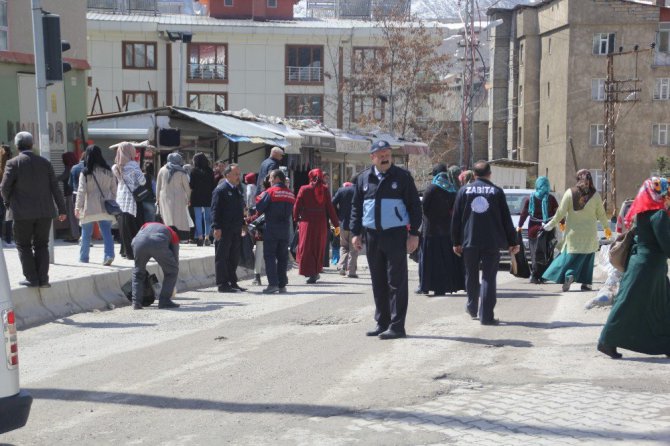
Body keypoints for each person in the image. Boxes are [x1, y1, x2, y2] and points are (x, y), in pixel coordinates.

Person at [351, 140, 422, 339]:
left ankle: (397, 326)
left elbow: (415, 207)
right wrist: (356, 233)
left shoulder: (402, 177)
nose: (384, 157)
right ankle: (382, 322)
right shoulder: (364, 178)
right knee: (378, 281)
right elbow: (356, 208)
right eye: (380, 154)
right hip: (372, 235)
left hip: (395, 234)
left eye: (387, 154)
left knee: (396, 282)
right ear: (372, 157)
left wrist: (414, 233)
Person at [597, 177, 670, 359]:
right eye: (666, 191)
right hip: (648, 267)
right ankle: (606, 341)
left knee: (661, 305)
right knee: (628, 304)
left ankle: (666, 343)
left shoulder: (642, 213)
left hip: (645, 266)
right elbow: (666, 242)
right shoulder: (658, 214)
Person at [451, 160, 519, 325]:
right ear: (490, 173)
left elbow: (456, 219)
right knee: (489, 277)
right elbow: (506, 219)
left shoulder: (463, 191)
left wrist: (456, 241)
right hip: (491, 241)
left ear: (474, 175)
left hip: (469, 241)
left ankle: (472, 307)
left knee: (471, 275)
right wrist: (512, 241)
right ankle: (486, 316)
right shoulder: (496, 192)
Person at [0, 132, 66, 288]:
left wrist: (8, 203)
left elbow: (4, 188)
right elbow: (55, 188)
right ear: (32, 144)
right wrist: (62, 210)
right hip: (45, 212)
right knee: (42, 244)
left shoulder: (13, 163)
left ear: (17, 146)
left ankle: (32, 278)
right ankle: (43, 279)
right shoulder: (45, 163)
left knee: (23, 245)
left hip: (22, 213)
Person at [542, 169, 610, 291]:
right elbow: (602, 214)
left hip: (573, 235)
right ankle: (585, 283)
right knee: (587, 259)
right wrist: (606, 229)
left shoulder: (569, 193)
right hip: (589, 234)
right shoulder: (595, 195)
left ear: (577, 179)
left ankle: (570, 276)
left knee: (570, 258)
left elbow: (560, 213)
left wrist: (551, 224)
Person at [419, 165, 465, 296]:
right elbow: (455, 209)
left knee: (430, 261)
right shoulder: (451, 189)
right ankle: (444, 287)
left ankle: (427, 286)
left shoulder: (431, 188)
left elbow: (424, 207)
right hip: (446, 231)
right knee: (444, 261)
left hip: (431, 230)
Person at [293, 168, 340, 284]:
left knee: (306, 246)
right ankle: (315, 271)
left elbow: (296, 206)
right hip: (321, 222)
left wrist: (296, 218)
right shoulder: (325, 190)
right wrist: (336, 224)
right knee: (318, 247)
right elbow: (330, 208)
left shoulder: (304, 189)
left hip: (306, 222)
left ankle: (309, 271)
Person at [74, 145, 117, 265]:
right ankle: (109, 255)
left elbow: (81, 192)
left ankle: (84, 258)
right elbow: (114, 190)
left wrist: (78, 207)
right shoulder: (109, 171)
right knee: (107, 233)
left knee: (86, 234)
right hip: (105, 206)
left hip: (90, 207)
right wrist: (111, 201)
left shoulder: (86, 172)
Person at [255, 169, 296, 294]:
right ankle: (282, 284)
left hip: (271, 228)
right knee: (282, 258)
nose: (269, 180)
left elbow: (259, 206)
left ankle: (273, 284)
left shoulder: (270, 192)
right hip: (285, 229)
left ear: (278, 178)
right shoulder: (290, 193)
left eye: (271, 178)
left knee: (270, 256)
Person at [211, 163, 247, 293]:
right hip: (224, 228)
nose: (238, 177)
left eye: (239, 174)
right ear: (227, 175)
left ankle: (233, 282)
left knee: (234, 256)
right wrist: (216, 227)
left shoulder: (237, 189)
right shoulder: (221, 190)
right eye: (236, 174)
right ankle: (222, 283)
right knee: (222, 257)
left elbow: (239, 209)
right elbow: (215, 210)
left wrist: (243, 224)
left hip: (236, 229)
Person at [517, 176, 560, 284]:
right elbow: (558, 213)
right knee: (548, 252)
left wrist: (520, 226)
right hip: (548, 229)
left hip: (533, 230)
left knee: (535, 252)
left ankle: (535, 276)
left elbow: (524, 214)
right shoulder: (551, 198)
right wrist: (563, 223)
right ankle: (545, 275)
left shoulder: (530, 198)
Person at [130, 222, 181, 310]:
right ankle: (164, 301)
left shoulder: (147, 224)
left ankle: (136, 302)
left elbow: (138, 238)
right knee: (172, 271)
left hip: (138, 242)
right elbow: (175, 260)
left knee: (138, 272)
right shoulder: (173, 234)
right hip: (158, 242)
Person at [112, 142, 146, 260]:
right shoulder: (133, 165)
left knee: (123, 226)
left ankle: (124, 251)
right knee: (135, 226)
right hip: (133, 200)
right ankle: (134, 252)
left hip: (120, 199)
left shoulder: (115, 167)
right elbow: (142, 182)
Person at [156, 152, 191, 239]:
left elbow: (158, 186)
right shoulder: (182, 172)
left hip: (164, 197)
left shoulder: (162, 170)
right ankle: (177, 236)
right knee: (178, 219)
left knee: (167, 218)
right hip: (179, 198)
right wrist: (189, 199)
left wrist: (157, 199)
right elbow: (187, 188)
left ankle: (167, 235)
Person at [332, 179, 358, 278]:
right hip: (355, 224)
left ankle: (342, 267)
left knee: (343, 246)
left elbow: (332, 203)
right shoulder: (359, 191)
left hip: (343, 223)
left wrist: (338, 214)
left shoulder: (341, 190)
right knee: (353, 248)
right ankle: (351, 271)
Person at [189, 153, 216, 246]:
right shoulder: (210, 171)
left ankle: (200, 237)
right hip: (208, 196)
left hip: (196, 196)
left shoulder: (193, 171)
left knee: (198, 217)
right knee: (207, 217)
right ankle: (207, 237)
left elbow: (191, 185)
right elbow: (213, 185)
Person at [58, 152, 81, 242]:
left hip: (70, 195)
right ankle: (76, 234)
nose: (62, 161)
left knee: (72, 216)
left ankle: (75, 235)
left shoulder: (69, 168)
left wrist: (51, 178)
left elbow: (62, 177)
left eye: (63, 159)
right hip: (77, 194)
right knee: (77, 216)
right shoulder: (77, 167)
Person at [0, 144, 14, 248]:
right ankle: (8, 240)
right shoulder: (10, 164)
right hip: (8, 192)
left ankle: (1, 239)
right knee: (8, 217)